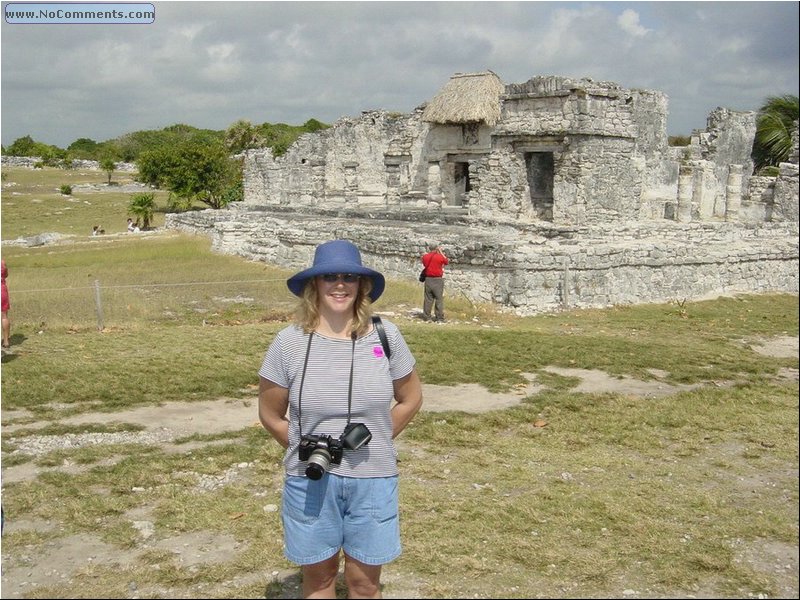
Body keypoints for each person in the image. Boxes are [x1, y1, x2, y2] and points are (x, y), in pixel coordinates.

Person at [258, 239, 423, 599]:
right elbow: (270, 413)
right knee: (319, 581)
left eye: (349, 276)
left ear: (362, 285)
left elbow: (411, 398)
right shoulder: (288, 343)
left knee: (365, 585)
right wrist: (303, 445)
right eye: (329, 276)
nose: (339, 284)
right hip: (310, 479)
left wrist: (377, 436)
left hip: (373, 479)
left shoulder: (386, 335)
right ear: (313, 285)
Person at [420, 243, 449, 322]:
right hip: (438, 279)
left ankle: (427, 317)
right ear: (436, 248)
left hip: (428, 279)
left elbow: (424, 263)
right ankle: (439, 318)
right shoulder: (439, 256)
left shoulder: (425, 257)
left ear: (429, 249)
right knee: (439, 299)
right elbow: (446, 261)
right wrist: (441, 252)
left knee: (428, 299)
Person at [2, 258, 11, 349]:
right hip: (2, 289)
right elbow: (6, 275)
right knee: (4, 316)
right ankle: (6, 341)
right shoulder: (2, 262)